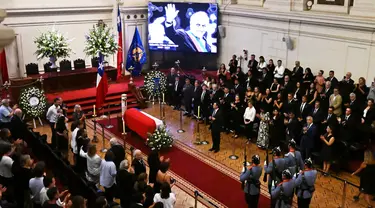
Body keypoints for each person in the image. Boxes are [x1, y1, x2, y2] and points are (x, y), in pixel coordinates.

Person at [352, 141, 375, 208]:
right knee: (370, 187)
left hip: (367, 173)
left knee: (365, 189)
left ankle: (369, 205)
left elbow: (362, 166)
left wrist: (354, 172)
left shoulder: (367, 154)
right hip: (373, 173)